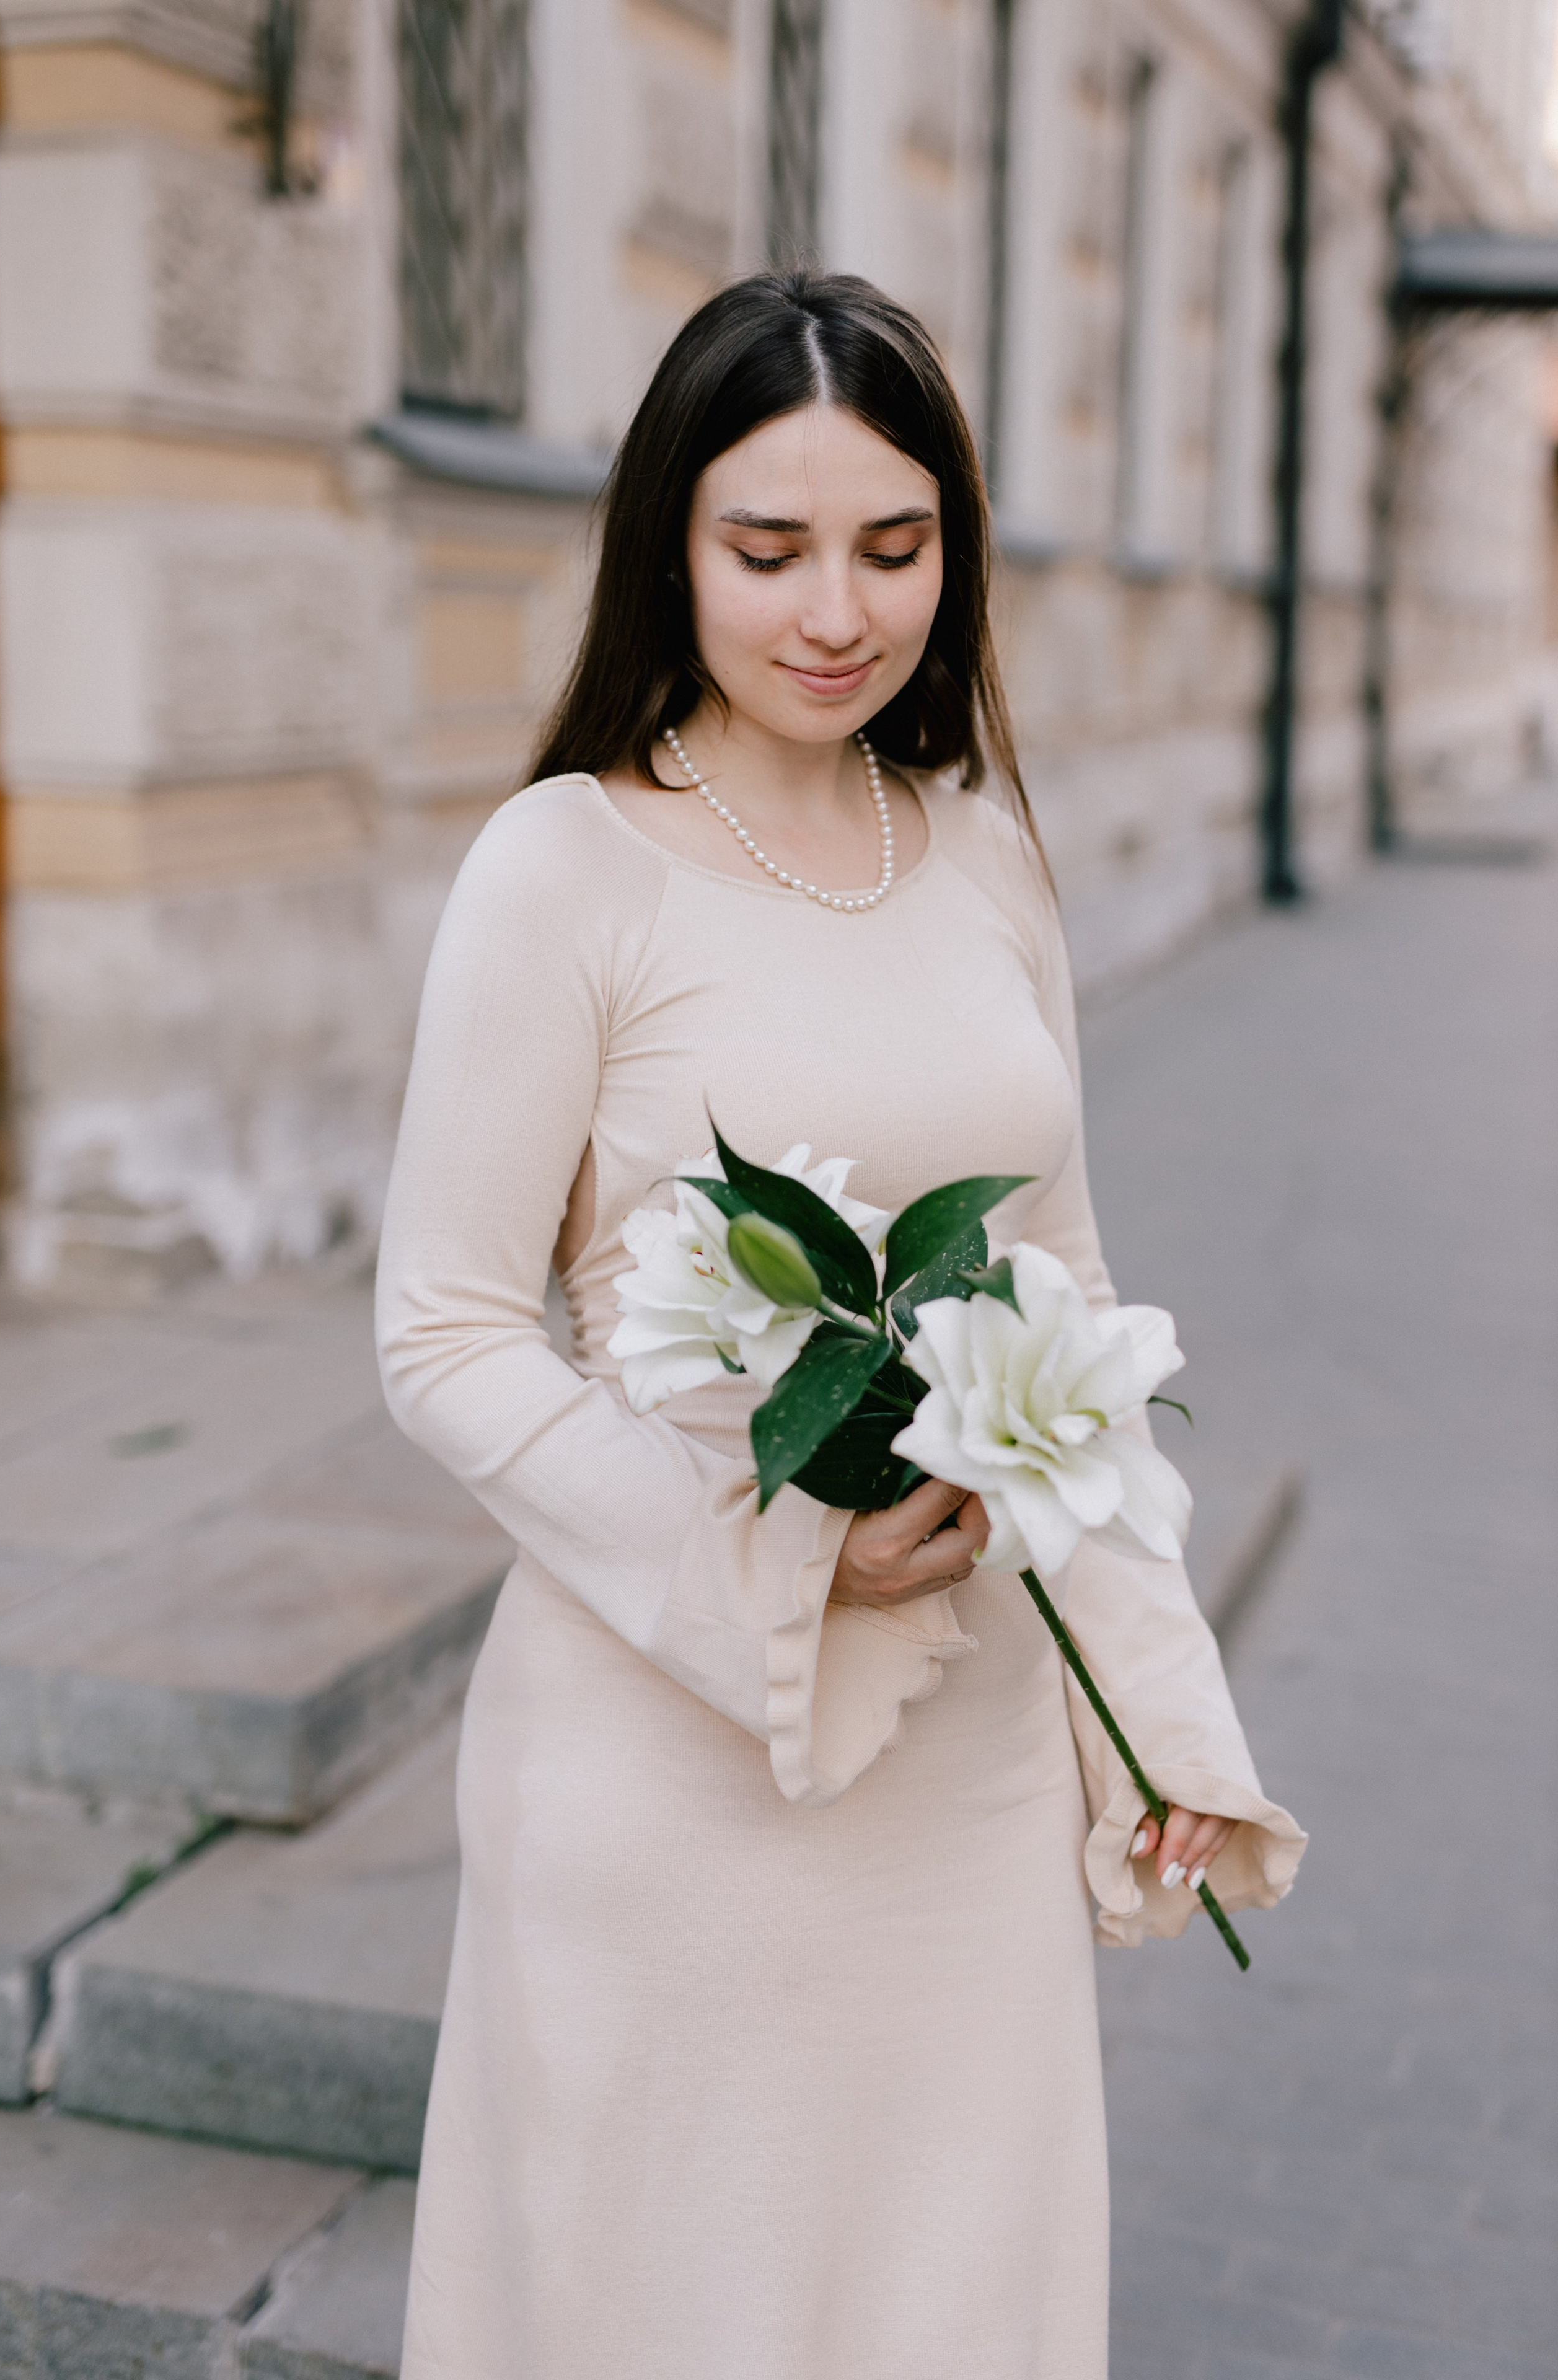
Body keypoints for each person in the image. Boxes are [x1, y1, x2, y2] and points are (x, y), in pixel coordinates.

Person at [376, 267, 1305, 2380]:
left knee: (945, 2305)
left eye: (896, 547)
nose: (837, 612)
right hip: (669, 1745)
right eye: (766, 548)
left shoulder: (983, 853)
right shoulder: (565, 870)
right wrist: (770, 1554)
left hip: (963, 1764)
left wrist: (1156, 1728)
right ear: (665, 548)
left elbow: (1070, 1321)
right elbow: (442, 1330)